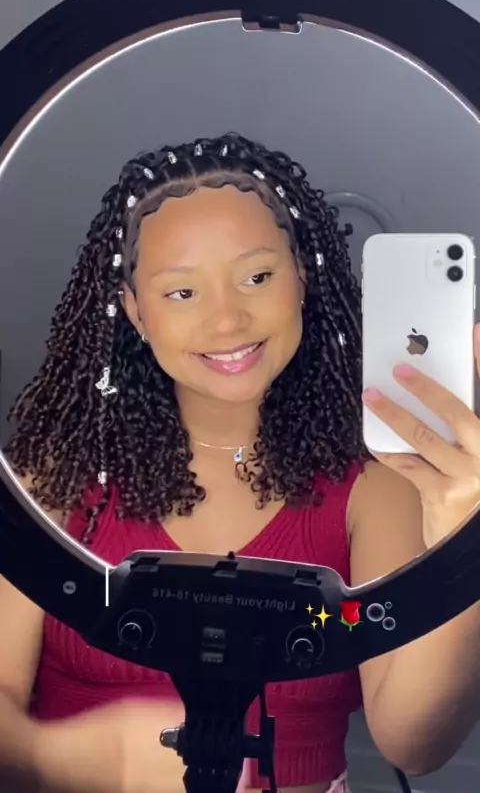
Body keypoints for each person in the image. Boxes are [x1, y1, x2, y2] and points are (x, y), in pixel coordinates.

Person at [1, 132, 480, 793]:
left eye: (257, 277)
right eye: (181, 292)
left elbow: (413, 744)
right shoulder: (52, 478)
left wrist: (465, 551)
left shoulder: (377, 484)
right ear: (136, 312)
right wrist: (70, 757)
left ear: (301, 279)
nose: (227, 321)